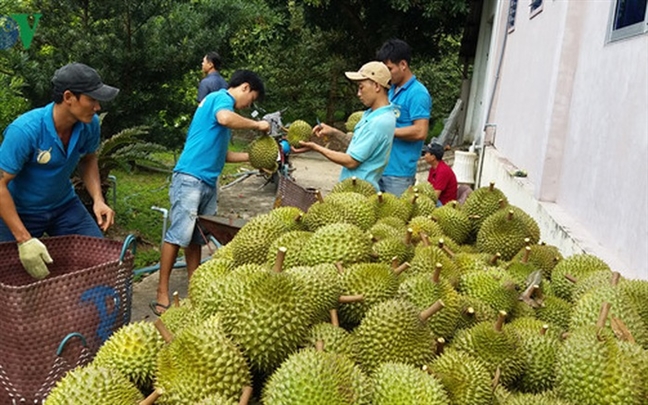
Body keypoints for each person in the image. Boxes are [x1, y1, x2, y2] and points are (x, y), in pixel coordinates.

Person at [153, 70, 269, 315]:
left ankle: (196, 288)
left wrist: (256, 158)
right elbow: (226, 118)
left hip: (207, 181)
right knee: (178, 235)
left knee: (196, 238)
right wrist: (258, 125)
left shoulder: (224, 113)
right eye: (252, 99)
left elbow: (224, 155)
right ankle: (162, 292)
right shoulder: (221, 99)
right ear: (245, 87)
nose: (250, 106)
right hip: (190, 178)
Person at [0, 62, 118, 280]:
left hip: (63, 206)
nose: (97, 107)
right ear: (68, 97)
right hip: (19, 212)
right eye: (92, 99)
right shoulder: (24, 131)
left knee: (102, 263)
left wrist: (98, 199)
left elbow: (89, 158)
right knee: (14, 281)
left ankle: (84, 311)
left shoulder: (89, 125)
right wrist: (24, 239)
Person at [298, 61, 395, 191]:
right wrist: (333, 132)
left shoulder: (380, 121)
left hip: (360, 195)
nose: (358, 94)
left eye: (361, 87)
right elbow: (357, 146)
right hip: (352, 190)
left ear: (377, 86)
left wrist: (316, 148)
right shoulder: (372, 114)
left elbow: (351, 161)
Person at [376, 39, 432, 197]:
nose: (386, 74)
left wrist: (387, 131)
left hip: (399, 174)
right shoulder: (391, 89)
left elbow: (420, 131)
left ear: (403, 64)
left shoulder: (418, 93)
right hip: (380, 167)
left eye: (389, 69)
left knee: (395, 220)